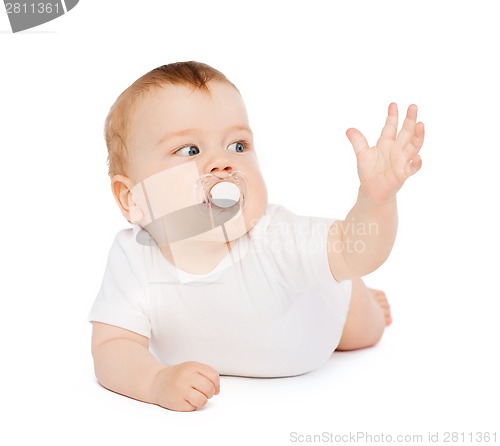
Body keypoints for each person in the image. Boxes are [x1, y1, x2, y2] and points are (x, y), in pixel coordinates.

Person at [89, 61, 424, 412]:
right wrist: (154, 381)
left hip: (323, 317)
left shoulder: (276, 234)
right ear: (132, 199)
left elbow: (355, 249)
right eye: (190, 150)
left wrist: (376, 200)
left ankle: (358, 292)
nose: (222, 163)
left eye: (237, 145)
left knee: (363, 330)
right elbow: (112, 344)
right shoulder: (134, 256)